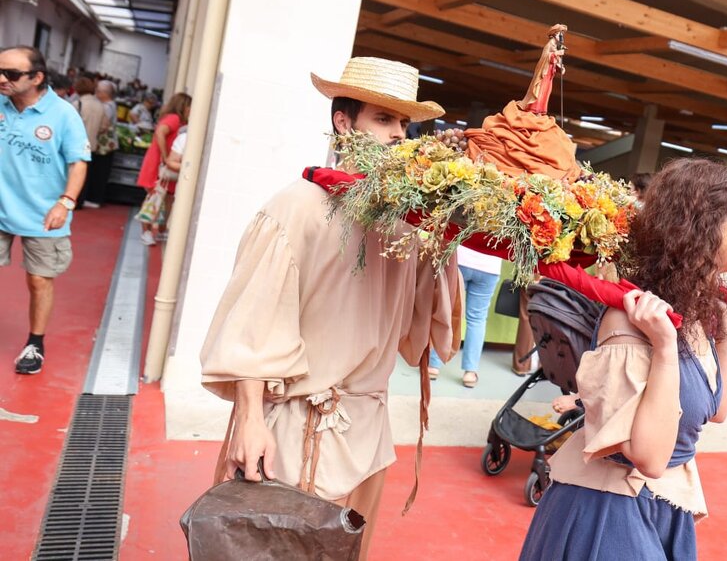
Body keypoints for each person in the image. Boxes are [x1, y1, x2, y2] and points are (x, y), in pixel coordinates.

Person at [199, 57, 460, 561]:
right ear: (344, 122)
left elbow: (423, 326)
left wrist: (451, 228)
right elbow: (254, 322)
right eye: (383, 119)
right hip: (294, 430)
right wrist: (250, 420)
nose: (398, 134)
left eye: (403, 123)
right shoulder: (296, 206)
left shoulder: (407, 221)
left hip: (368, 434)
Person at [519, 158, 727, 560]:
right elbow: (649, 458)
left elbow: (716, 410)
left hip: (655, 506)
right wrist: (664, 349)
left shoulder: (692, 309)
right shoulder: (630, 324)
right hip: (609, 515)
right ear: (706, 228)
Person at [0, 46, 90, 374]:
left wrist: (65, 202)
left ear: (37, 77)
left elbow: (78, 162)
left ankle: (35, 345)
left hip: (43, 213)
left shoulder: (63, 114)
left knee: (39, 280)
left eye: (11, 74)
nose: (2, 79)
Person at [428, 245, 502, 387]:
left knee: (447, 311)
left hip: (461, 259)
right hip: (490, 267)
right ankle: (470, 372)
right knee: (477, 319)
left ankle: (433, 365)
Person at [136, 92, 191, 245]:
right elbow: (160, 132)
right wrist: (166, 156)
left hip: (162, 164)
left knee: (164, 199)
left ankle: (159, 230)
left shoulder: (174, 119)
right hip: (159, 164)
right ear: (183, 106)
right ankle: (147, 231)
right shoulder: (175, 119)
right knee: (154, 198)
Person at [80, 79, 118, 208]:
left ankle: (95, 198)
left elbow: (102, 125)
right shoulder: (111, 105)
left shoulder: (107, 107)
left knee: (99, 172)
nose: (96, 94)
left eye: (98, 91)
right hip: (105, 145)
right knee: (100, 171)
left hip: (103, 145)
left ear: (105, 93)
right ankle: (94, 198)